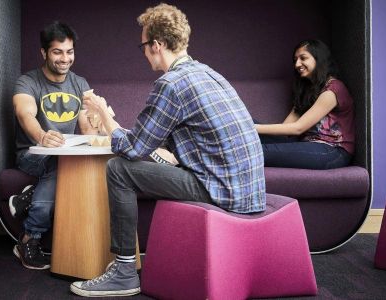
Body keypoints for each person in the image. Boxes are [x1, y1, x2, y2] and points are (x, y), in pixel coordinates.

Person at [70, 3, 266, 297]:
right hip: (249, 190)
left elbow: (133, 150)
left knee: (119, 170)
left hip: (221, 190)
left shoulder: (171, 84)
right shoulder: (207, 73)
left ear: (157, 45)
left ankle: (124, 272)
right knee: (147, 165)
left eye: (143, 46)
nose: (144, 52)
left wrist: (102, 112)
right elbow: (156, 140)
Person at [9, 21, 98, 270]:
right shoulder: (27, 82)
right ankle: (30, 238)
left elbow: (87, 128)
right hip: (31, 154)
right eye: (57, 52)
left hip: (63, 155)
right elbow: (24, 113)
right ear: (44, 53)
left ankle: (28, 199)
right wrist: (41, 135)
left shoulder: (80, 83)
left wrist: (97, 125)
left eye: (69, 52)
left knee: (73, 164)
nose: (65, 58)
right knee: (62, 165)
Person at [255, 39, 355, 169]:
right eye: (295, 60)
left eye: (303, 58)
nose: (297, 64)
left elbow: (298, 128)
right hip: (308, 144)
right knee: (245, 128)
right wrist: (247, 128)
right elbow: (286, 128)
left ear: (318, 59)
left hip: (333, 150)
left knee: (257, 151)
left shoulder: (334, 88)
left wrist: (252, 128)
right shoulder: (308, 90)